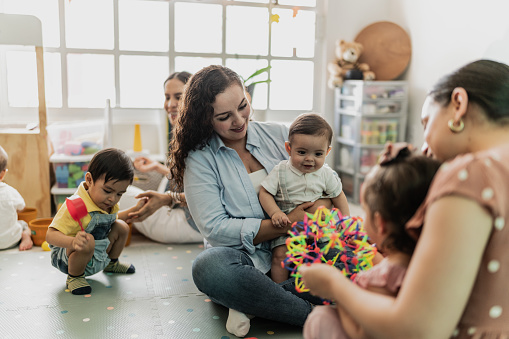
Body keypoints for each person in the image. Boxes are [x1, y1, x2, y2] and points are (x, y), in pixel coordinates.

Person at [300, 59, 509, 338]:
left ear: (458, 104)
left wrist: (335, 286)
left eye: (426, 122)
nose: (425, 145)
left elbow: (418, 329)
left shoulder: (471, 173)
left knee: (323, 317)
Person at [169, 65, 337, 338]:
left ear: (247, 95)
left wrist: (321, 208)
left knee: (354, 257)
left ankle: (257, 302)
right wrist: (284, 224)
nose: (238, 120)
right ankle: (314, 315)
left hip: (299, 249)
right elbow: (215, 229)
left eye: (243, 106)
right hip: (245, 260)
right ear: (205, 119)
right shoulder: (200, 158)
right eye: (224, 116)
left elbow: (325, 178)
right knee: (209, 268)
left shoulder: (281, 134)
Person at [303, 143, 441, 339]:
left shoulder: (376, 280)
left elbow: (360, 332)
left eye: (365, 212)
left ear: (380, 223)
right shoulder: (433, 267)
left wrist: (339, 293)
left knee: (321, 317)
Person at [259, 112, 350, 283]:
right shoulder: (281, 171)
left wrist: (344, 221)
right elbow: (265, 192)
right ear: (288, 148)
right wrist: (275, 213)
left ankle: (318, 285)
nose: (309, 159)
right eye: (301, 152)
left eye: (318, 154)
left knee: (332, 254)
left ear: (327, 152)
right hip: (288, 227)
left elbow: (338, 196)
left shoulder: (326, 174)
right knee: (280, 256)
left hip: (320, 229)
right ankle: (281, 290)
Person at [119, 71, 203, 244]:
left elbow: (204, 194)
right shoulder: (186, 135)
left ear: (194, 100)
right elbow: (187, 178)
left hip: (187, 223)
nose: (170, 104)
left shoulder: (198, 142)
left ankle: (76, 229)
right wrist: (156, 167)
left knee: (116, 191)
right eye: (167, 97)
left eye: (178, 97)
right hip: (180, 215)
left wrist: (168, 198)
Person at [47, 148, 137, 295]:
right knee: (88, 240)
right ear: (89, 180)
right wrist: (72, 242)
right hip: (69, 259)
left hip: (97, 255)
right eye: (107, 191)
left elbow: (113, 219)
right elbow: (50, 235)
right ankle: (74, 278)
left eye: (119, 194)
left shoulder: (109, 204)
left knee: (122, 227)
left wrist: (135, 210)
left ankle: (112, 264)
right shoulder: (76, 204)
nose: (112, 199)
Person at [0, 145, 33, 251]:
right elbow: (22, 207)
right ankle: (26, 237)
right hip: (11, 240)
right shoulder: (10, 192)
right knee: (23, 224)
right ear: (3, 174)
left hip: (10, 239)